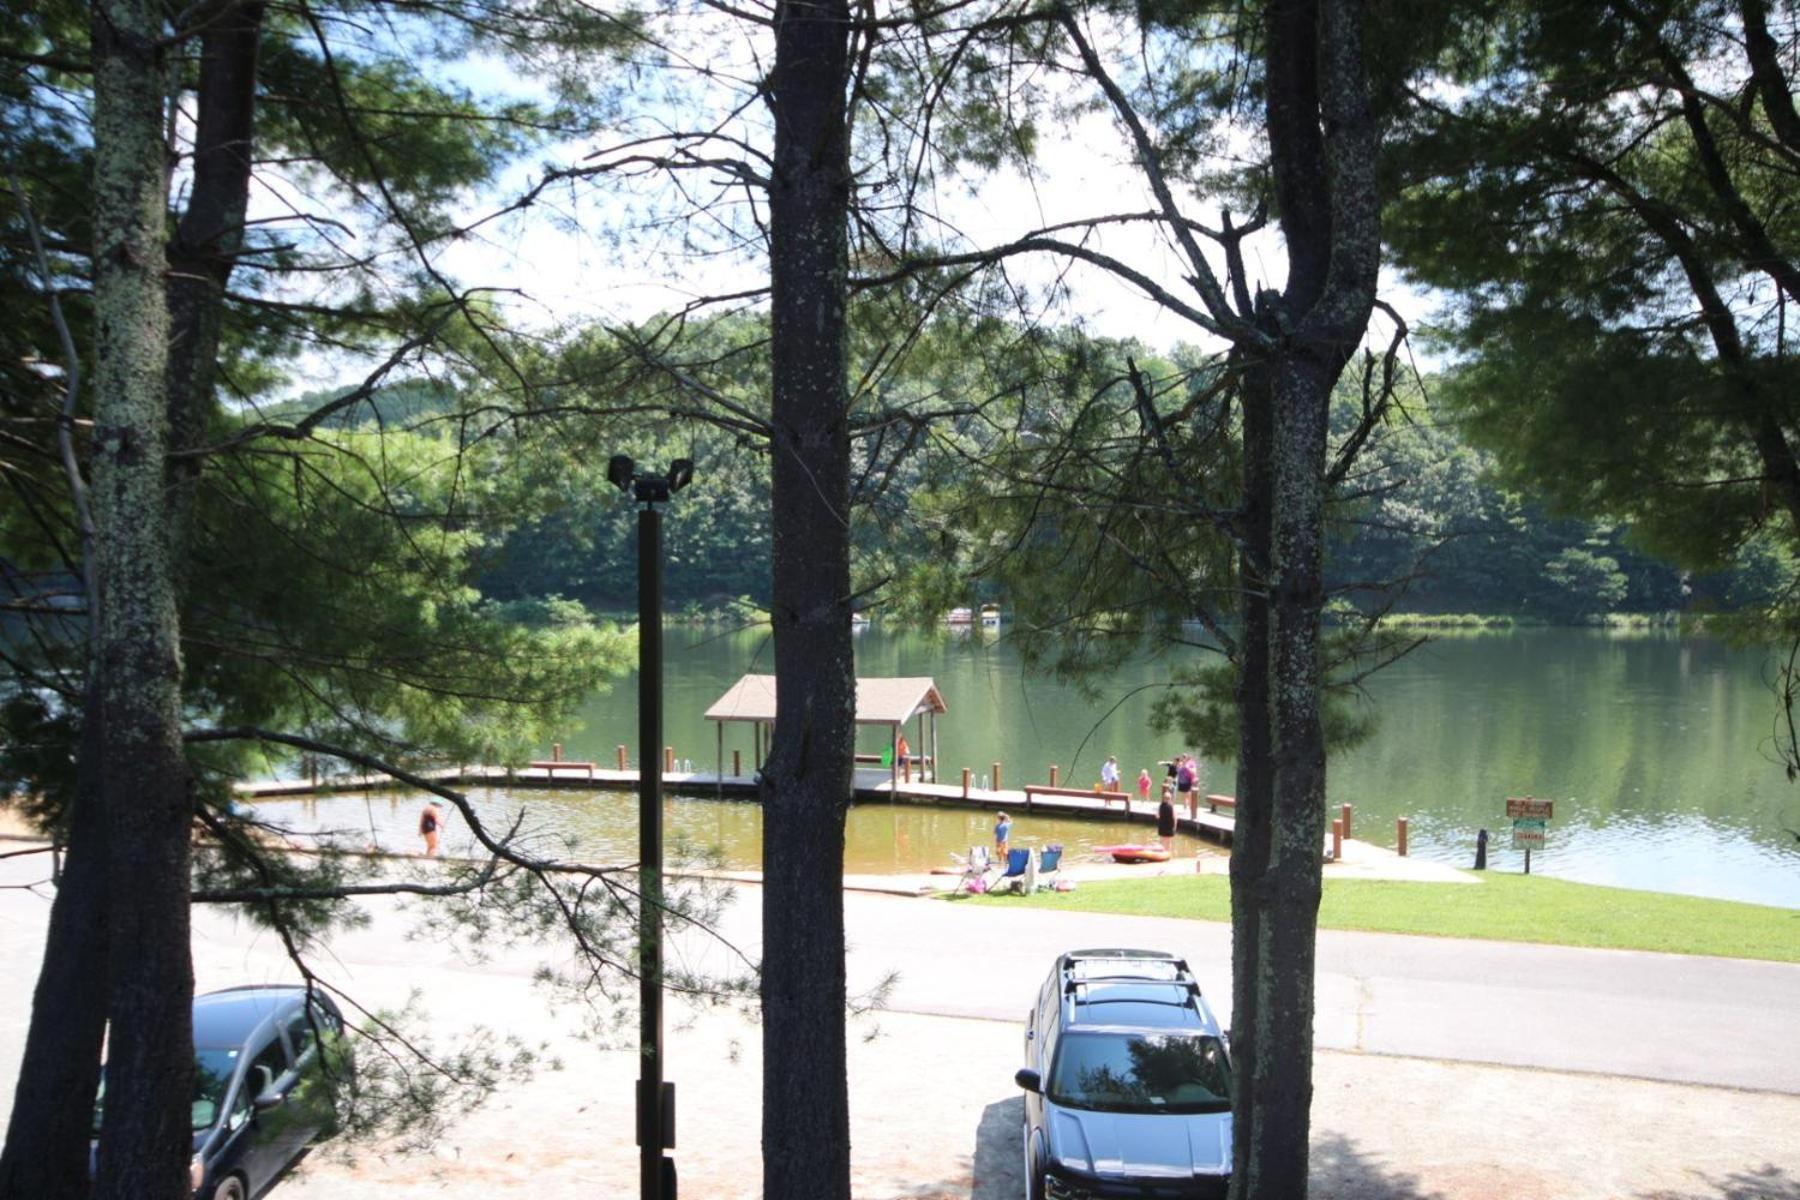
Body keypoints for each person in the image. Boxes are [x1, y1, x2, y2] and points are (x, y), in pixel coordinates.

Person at [1157, 785, 1177, 851]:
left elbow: (1157, 816)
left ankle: (1161, 853)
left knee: (1161, 841)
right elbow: (1175, 817)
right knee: (1168, 842)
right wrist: (1175, 826)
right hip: (1169, 826)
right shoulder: (1172, 807)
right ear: (1170, 798)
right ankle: (1167, 854)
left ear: (1163, 798)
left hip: (1162, 825)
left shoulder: (1160, 806)